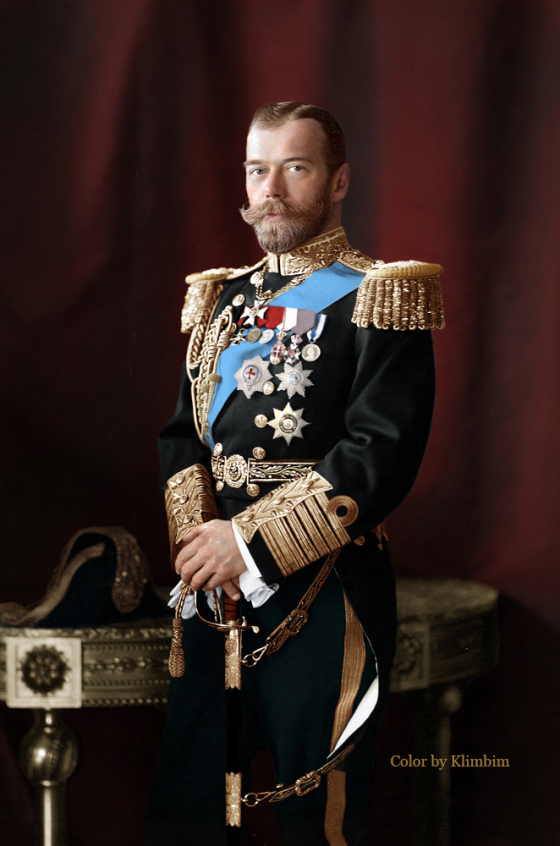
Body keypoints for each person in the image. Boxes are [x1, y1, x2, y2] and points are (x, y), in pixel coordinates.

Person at [145, 102, 443, 846]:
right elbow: (183, 438)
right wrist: (202, 552)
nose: (270, 189)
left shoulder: (380, 294)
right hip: (213, 600)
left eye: (295, 167)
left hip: (327, 596)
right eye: (257, 170)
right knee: (192, 816)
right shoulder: (220, 300)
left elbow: (381, 451)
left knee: (321, 824)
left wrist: (244, 546)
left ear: (338, 181)